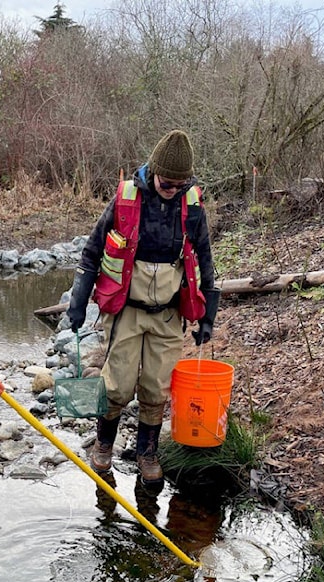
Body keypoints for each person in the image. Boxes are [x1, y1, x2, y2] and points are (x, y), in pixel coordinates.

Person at [66, 129, 220, 485]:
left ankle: (146, 453)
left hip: (168, 314)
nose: (172, 189)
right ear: (153, 172)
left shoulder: (192, 206)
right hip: (126, 311)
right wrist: (77, 304)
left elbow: (207, 262)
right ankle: (103, 445)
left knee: (156, 387)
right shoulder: (125, 199)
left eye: (179, 184)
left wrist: (207, 318)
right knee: (118, 386)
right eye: (167, 182)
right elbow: (91, 253)